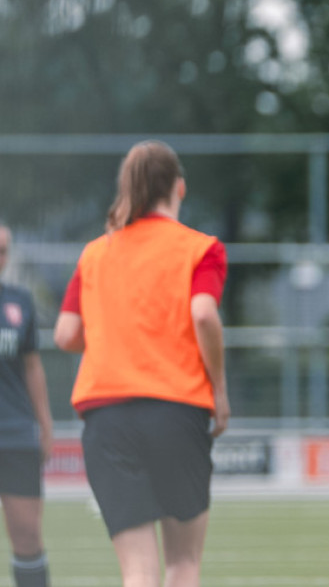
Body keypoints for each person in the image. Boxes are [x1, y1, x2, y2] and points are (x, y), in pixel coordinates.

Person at [53, 141, 230, 587]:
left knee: (137, 572)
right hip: (175, 409)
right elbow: (204, 313)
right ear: (179, 188)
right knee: (183, 563)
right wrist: (220, 391)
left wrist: (118, 335)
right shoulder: (200, 248)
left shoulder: (95, 253)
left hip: (105, 417)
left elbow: (66, 334)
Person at [0, 224, 54, 587]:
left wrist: (45, 427)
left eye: (4, 250)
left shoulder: (19, 301)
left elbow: (33, 368)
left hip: (15, 436)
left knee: (27, 536)